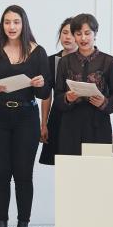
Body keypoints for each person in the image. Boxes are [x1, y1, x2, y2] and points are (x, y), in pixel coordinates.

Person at [0, 5, 49, 227]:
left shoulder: (37, 52)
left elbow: (44, 92)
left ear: (24, 24)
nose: (11, 27)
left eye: (16, 22)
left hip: (26, 117)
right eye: (7, 22)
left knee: (22, 175)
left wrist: (41, 83)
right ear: (2, 24)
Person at [54, 13, 113, 155]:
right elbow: (58, 97)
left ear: (95, 33)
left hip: (98, 124)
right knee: (71, 171)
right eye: (78, 34)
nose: (83, 38)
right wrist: (67, 98)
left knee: (97, 172)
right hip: (70, 125)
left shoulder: (109, 62)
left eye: (87, 33)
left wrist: (104, 102)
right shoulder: (64, 62)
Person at [39, 17, 77, 165]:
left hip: (79, 117)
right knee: (61, 166)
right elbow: (46, 95)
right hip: (58, 116)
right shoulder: (50, 61)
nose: (67, 37)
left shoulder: (86, 60)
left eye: (72, 33)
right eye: (64, 32)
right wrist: (44, 124)